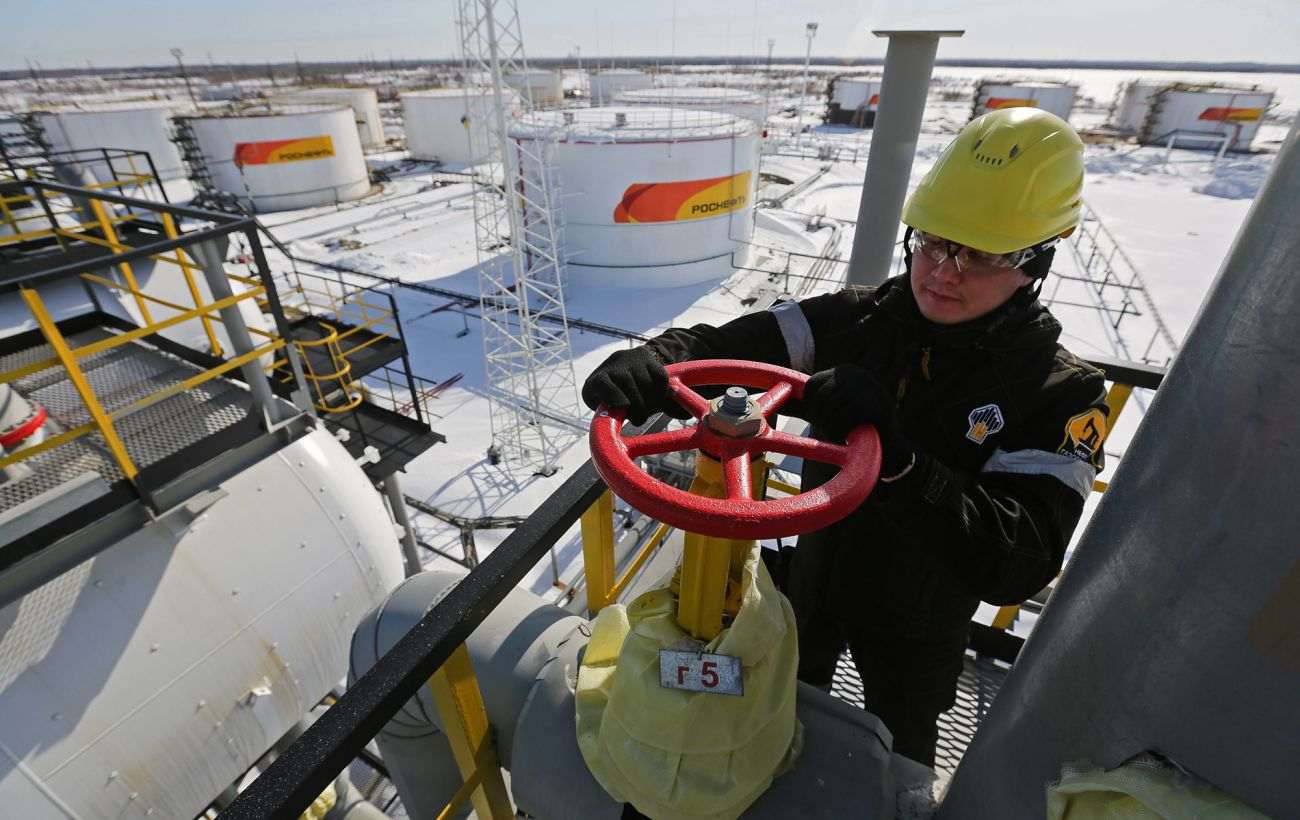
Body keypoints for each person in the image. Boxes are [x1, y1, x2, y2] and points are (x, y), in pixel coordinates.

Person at [580, 108, 1110, 767]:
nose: (944, 270)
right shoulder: (860, 320)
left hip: (919, 625)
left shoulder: (1061, 393)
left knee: (899, 759)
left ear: (1038, 261)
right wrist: (661, 359)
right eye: (933, 241)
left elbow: (1019, 560)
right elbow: (739, 345)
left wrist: (903, 466)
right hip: (814, 586)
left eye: (981, 254)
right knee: (781, 719)